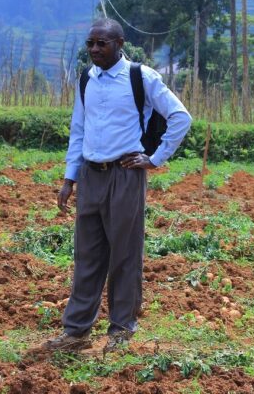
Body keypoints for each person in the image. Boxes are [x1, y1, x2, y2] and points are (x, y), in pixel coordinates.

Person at [43, 18, 192, 354]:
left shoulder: (141, 77)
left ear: (119, 44)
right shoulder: (87, 79)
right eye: (90, 43)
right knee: (87, 255)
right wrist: (69, 178)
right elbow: (78, 129)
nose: (95, 49)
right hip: (90, 175)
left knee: (124, 255)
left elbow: (181, 116)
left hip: (125, 174)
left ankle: (121, 331)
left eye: (102, 43)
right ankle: (76, 332)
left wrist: (155, 159)